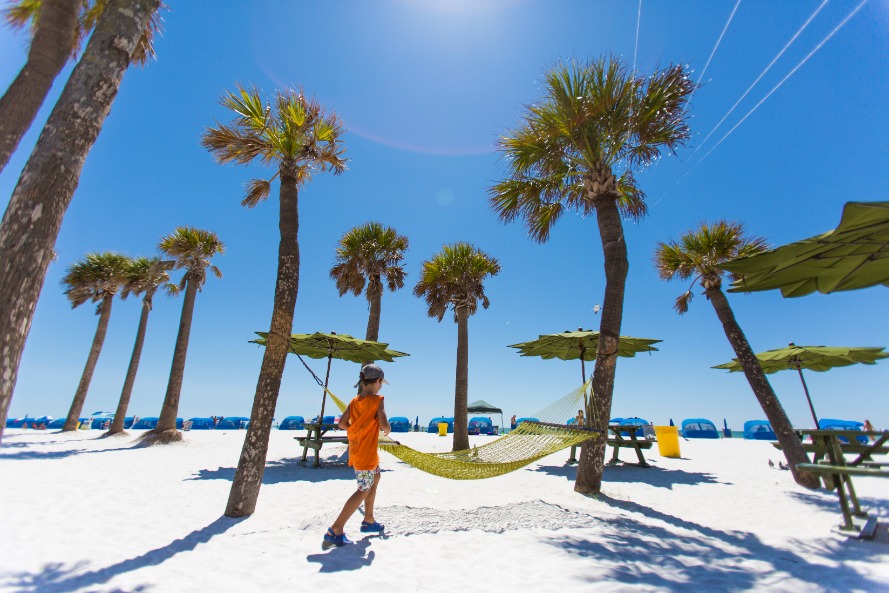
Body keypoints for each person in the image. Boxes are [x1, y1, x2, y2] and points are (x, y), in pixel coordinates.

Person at [323, 363, 391, 550]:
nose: (380, 386)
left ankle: (368, 520)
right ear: (377, 381)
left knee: (375, 477)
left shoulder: (354, 402)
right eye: (381, 383)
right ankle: (336, 529)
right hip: (366, 455)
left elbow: (343, 424)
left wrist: (357, 430)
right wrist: (387, 430)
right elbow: (384, 424)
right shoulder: (378, 401)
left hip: (358, 450)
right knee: (363, 489)